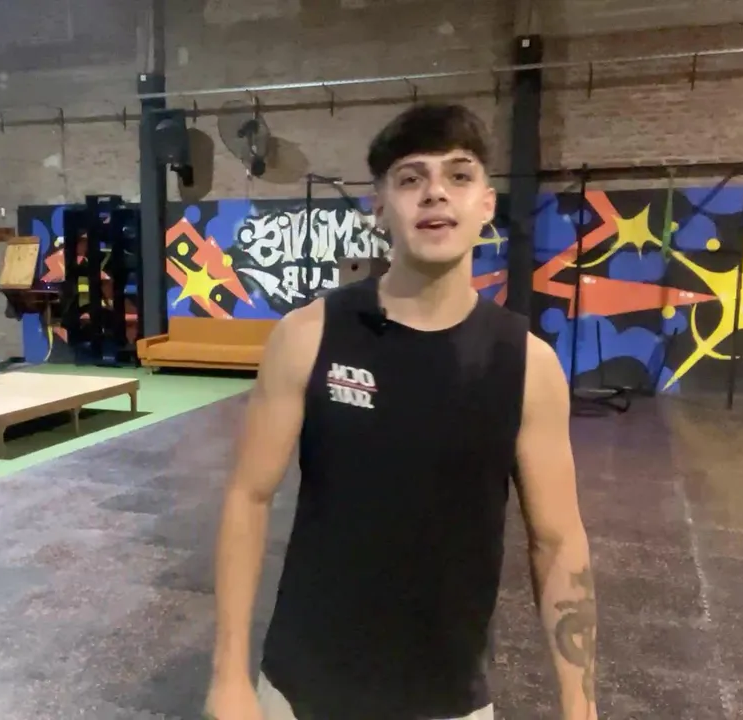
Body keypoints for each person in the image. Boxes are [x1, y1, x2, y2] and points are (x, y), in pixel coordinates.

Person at [204, 102, 598, 720]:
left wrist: (581, 707)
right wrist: (229, 676)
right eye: (411, 178)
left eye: (458, 175)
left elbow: (558, 541)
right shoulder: (309, 336)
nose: (435, 192)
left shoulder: (528, 364)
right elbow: (248, 498)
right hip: (304, 691)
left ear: (486, 205)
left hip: (449, 700)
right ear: (380, 207)